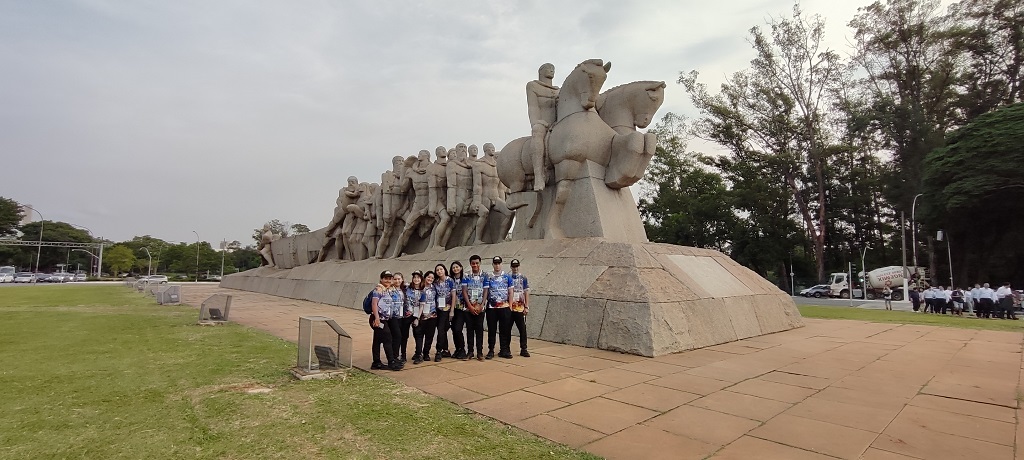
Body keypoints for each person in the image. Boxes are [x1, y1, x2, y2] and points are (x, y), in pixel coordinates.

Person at [526, 63, 558, 191]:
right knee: (537, 132)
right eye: (548, 68)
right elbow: (532, 106)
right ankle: (539, 176)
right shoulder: (533, 86)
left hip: (557, 123)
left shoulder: (558, 90)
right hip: (542, 123)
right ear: (541, 71)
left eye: (553, 69)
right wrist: (536, 122)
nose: (551, 70)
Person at [369, 270, 400, 371]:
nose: (388, 280)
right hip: (378, 319)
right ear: (381, 279)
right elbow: (374, 304)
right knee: (388, 338)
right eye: (385, 278)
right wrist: (377, 318)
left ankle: (376, 362)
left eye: (389, 278)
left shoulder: (388, 290)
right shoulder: (378, 290)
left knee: (377, 340)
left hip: (385, 319)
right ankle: (391, 362)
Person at [485, 256, 514, 359]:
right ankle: (491, 350)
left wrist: (510, 306)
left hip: (504, 306)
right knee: (492, 329)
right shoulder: (488, 277)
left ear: (501, 264)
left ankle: (504, 350)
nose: (497, 265)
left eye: (499, 263)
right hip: (492, 307)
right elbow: (486, 291)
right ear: (493, 264)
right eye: (495, 263)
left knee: (504, 329)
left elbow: (511, 292)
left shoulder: (507, 277)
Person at [461, 255, 488, 361]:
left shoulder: (485, 275)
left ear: (480, 263)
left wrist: (481, 305)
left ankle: (480, 353)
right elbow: (464, 290)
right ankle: (470, 352)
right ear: (470, 264)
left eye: (477, 263)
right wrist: (469, 306)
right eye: (473, 263)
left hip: (480, 308)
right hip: (468, 308)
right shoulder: (466, 276)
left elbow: (486, 291)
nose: (475, 265)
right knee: (470, 330)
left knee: (479, 330)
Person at [413, 271, 440, 364]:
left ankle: (426, 353)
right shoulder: (420, 287)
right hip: (420, 314)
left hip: (432, 315)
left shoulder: (435, 288)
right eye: (428, 277)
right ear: (424, 277)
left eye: (432, 278)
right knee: (419, 335)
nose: (430, 279)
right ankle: (418, 353)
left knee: (429, 335)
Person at [508, 259, 531, 357]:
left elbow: (526, 292)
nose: (515, 268)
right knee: (507, 329)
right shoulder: (508, 277)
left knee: (522, 329)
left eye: (517, 266)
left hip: (520, 307)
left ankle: (524, 348)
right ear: (511, 267)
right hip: (509, 307)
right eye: (513, 266)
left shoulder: (523, 278)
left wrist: (526, 306)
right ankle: (506, 348)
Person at [433, 264, 455, 361]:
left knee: (441, 329)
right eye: (437, 270)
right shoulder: (435, 282)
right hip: (438, 308)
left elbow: (454, 296)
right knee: (442, 329)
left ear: (444, 270)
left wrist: (452, 311)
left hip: (447, 308)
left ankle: (438, 350)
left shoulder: (450, 280)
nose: (439, 271)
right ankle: (445, 350)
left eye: (441, 269)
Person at [400, 271, 423, 362]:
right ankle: (403, 355)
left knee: (418, 334)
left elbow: (422, 305)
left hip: (417, 315)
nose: (416, 279)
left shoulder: (423, 290)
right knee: (404, 335)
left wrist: (417, 318)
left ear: (421, 279)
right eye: (414, 277)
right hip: (407, 315)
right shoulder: (407, 288)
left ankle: (418, 354)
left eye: (418, 277)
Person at [448, 261, 468, 359]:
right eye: (453, 267)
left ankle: (462, 349)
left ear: (461, 267)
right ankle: (458, 349)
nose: (455, 269)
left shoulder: (465, 278)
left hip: (462, 308)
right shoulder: (450, 280)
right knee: (453, 329)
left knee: (458, 329)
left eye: (457, 267)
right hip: (453, 307)